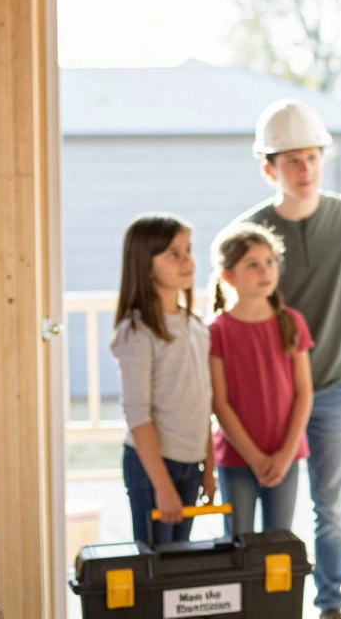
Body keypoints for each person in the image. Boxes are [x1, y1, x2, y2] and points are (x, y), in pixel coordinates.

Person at [236, 98, 341, 619]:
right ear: (269, 168)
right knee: (278, 511)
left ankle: (330, 606)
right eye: (292, 160)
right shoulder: (252, 234)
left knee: (332, 510)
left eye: (312, 157)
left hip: (333, 389)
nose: (305, 170)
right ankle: (272, 604)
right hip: (274, 398)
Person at [112, 213, 215, 545]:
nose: (187, 260)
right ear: (145, 265)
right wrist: (162, 486)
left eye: (188, 250)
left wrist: (208, 470)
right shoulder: (138, 332)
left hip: (190, 465)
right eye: (174, 253)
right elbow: (138, 414)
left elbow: (204, 405)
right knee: (155, 568)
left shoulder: (195, 326)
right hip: (153, 470)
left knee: (178, 564)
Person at [207, 222, 315, 536]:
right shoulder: (218, 330)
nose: (264, 270)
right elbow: (219, 402)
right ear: (228, 275)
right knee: (238, 541)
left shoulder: (291, 322)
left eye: (269, 261)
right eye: (252, 264)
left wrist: (283, 456)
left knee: (279, 543)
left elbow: (304, 393)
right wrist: (254, 458)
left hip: (287, 455)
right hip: (236, 459)